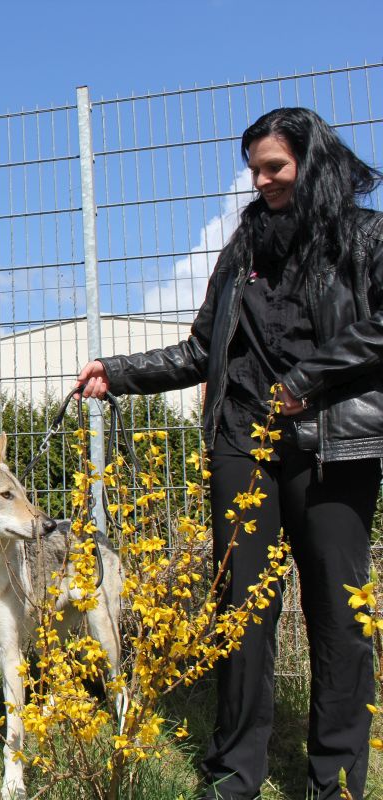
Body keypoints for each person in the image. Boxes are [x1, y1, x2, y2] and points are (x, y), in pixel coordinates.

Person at [76, 107, 383, 800]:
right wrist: (115, 373)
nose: (262, 181)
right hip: (242, 441)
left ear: (314, 162)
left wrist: (309, 380)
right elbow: (198, 348)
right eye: (254, 170)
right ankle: (234, 771)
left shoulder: (366, 237)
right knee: (242, 609)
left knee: (339, 613)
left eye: (274, 167)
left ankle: (334, 780)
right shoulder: (244, 244)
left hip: (334, 445)